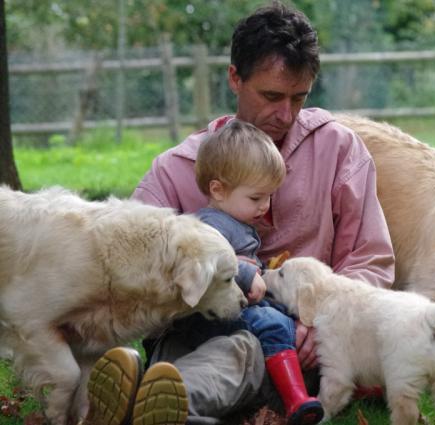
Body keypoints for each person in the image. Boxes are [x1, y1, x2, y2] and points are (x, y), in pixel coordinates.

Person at [85, 2, 394, 424]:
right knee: (198, 349)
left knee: (251, 345)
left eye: (298, 98)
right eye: (271, 96)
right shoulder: (176, 167)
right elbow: (128, 268)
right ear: (235, 77)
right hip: (188, 330)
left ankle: (141, 400)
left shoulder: (339, 149)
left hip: (290, 342)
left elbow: (369, 260)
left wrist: (326, 323)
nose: (285, 115)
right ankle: (160, 401)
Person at [193, 118, 324, 424]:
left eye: (269, 196)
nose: (264, 206)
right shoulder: (209, 225)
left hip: (241, 310)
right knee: (275, 325)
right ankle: (295, 399)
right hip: (216, 315)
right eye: (256, 198)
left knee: (286, 321)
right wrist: (244, 273)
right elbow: (205, 256)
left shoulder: (238, 223)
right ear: (218, 190)